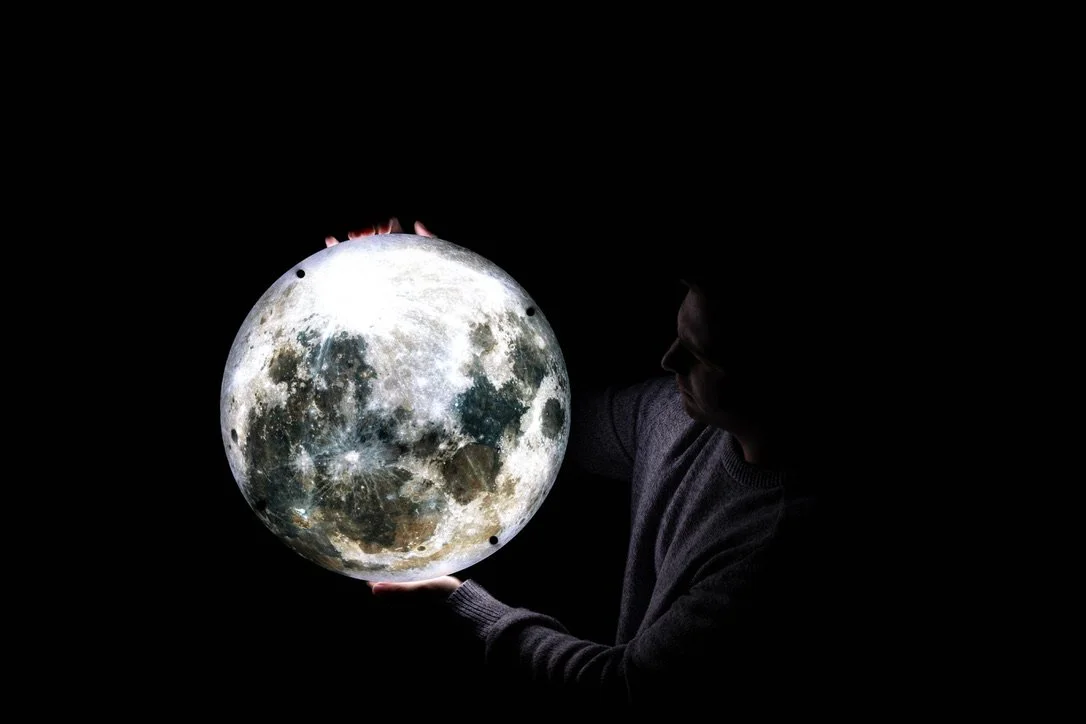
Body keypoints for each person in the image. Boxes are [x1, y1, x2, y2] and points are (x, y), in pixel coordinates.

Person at [326, 218, 852, 708]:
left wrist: (459, 608)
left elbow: (624, 691)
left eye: (701, 354)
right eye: (678, 333)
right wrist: (435, 301)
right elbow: (537, 428)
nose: (670, 359)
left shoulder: (780, 549)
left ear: (776, 378)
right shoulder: (676, 415)